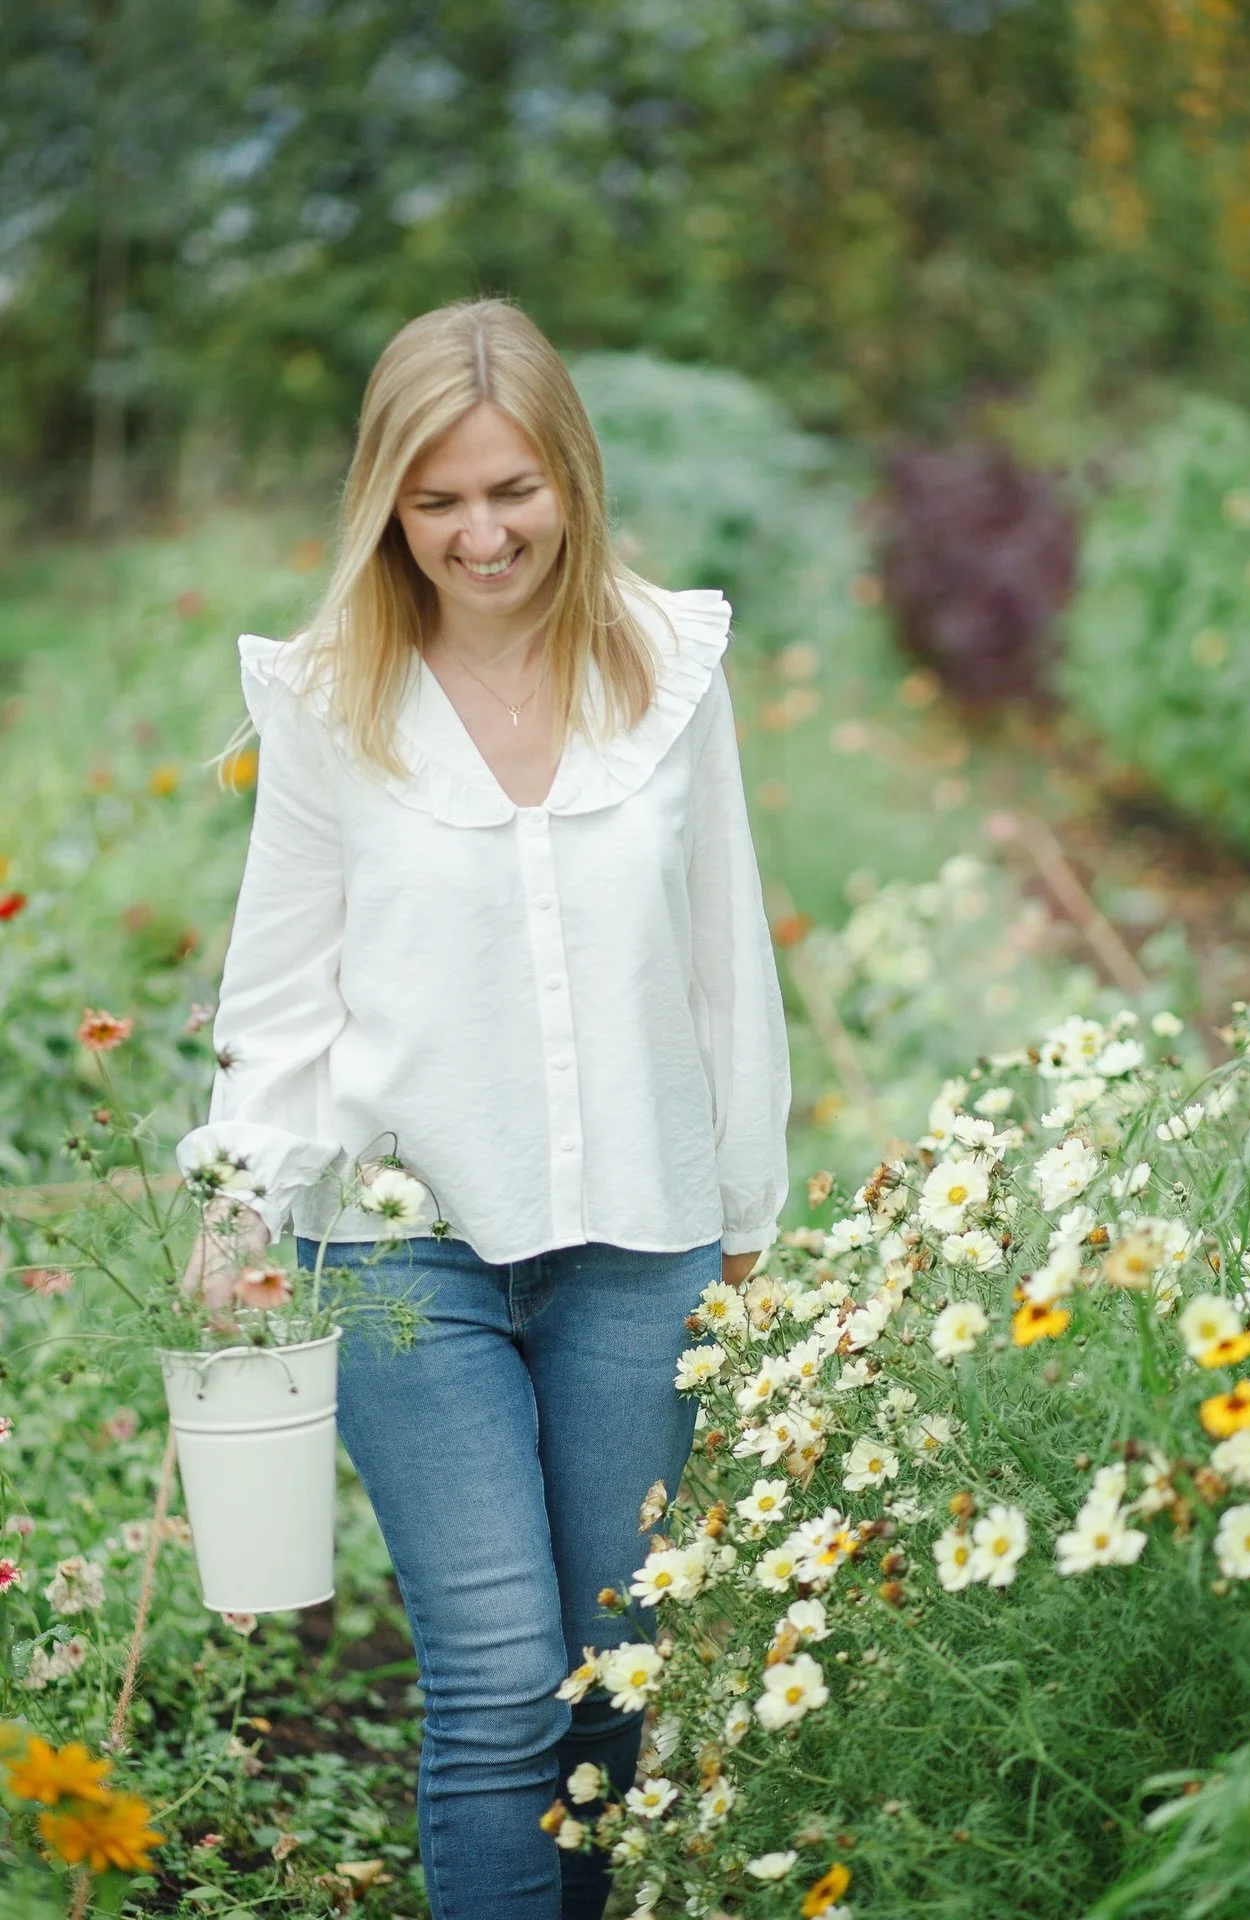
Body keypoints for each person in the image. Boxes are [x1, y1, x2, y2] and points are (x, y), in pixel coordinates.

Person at [174, 296, 792, 1920]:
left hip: (637, 1248)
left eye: (510, 490)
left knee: (616, 1685)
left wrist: (746, 1225)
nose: (478, 533)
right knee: (506, 1679)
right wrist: (240, 1200)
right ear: (387, 503)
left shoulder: (669, 671)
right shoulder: (329, 697)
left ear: (570, 479)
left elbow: (727, 959)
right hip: (401, 1251)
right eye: (435, 500)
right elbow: (284, 980)